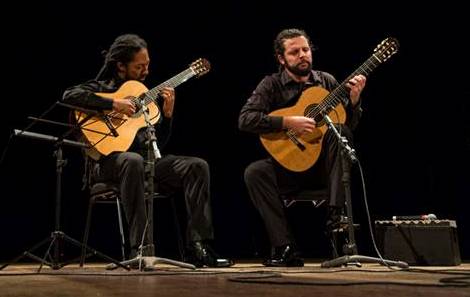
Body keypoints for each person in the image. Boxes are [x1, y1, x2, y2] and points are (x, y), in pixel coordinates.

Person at [62, 33, 233, 268]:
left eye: (148, 64)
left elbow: (156, 145)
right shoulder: (101, 88)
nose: (146, 71)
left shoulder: (145, 98)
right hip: (105, 165)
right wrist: (114, 104)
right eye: (140, 66)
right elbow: (69, 95)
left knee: (196, 165)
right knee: (131, 160)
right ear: (121, 66)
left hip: (144, 163)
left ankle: (198, 247)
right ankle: (140, 249)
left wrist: (168, 115)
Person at [238, 28, 366, 267]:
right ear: (281, 58)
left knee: (340, 132)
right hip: (290, 167)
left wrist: (355, 102)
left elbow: (348, 127)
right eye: (294, 52)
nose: (302, 55)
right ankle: (284, 247)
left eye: (305, 50)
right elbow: (246, 119)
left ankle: (336, 216)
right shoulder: (271, 85)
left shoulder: (326, 81)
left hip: (325, 170)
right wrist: (287, 122)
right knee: (254, 172)